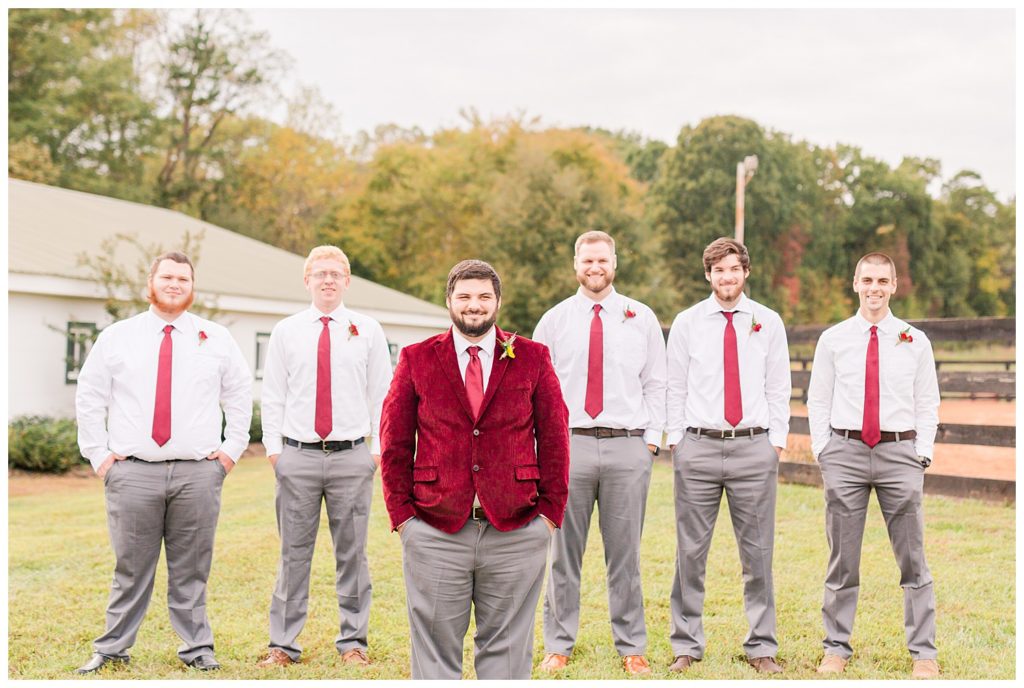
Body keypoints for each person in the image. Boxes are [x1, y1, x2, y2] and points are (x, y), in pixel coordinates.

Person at [380, 259, 570, 680]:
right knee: (434, 655)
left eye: (484, 296)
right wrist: (404, 518)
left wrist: (548, 515)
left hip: (517, 530)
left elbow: (555, 437)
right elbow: (394, 443)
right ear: (449, 301)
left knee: (506, 654)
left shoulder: (533, 357)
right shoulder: (416, 359)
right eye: (465, 296)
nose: (474, 305)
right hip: (434, 528)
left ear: (498, 301)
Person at [75, 251, 252, 674]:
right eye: (168, 277)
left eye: (183, 279)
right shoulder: (118, 336)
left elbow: (240, 394)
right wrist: (100, 457)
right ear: (151, 282)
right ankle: (112, 647)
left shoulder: (216, 338)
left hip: (198, 473)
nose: (175, 284)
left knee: (192, 566)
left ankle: (197, 648)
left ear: (192, 288)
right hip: (132, 472)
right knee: (130, 567)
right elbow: (89, 396)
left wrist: (229, 452)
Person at [533, 230, 665, 675]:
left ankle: (631, 645)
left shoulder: (640, 317)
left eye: (602, 260)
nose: (595, 268)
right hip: (569, 445)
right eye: (587, 261)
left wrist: (650, 442)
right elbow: (537, 390)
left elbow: (656, 383)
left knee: (625, 554)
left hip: (627, 446)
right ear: (576, 264)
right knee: (563, 553)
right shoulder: (553, 321)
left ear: (614, 263)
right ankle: (558, 643)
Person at [256, 245, 393, 668]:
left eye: (336, 273)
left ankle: (353, 642)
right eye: (321, 274)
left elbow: (381, 395)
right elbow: (273, 392)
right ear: (307, 281)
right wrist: (276, 450)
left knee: (352, 553)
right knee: (293, 553)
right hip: (297, 456)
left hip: (351, 457)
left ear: (347, 281)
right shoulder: (286, 331)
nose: (328, 280)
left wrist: (375, 452)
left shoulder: (367, 330)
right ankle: (282, 645)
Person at [806, 252, 940, 679]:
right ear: (855, 283)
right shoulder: (834, 339)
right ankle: (836, 648)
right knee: (842, 559)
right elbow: (818, 398)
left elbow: (927, 401)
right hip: (844, 452)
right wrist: (823, 450)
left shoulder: (914, 340)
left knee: (913, 558)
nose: (874, 288)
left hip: (900, 454)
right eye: (867, 280)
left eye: (883, 280)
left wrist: (921, 453)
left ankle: (923, 653)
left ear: (895, 285)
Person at [665, 237, 790, 674]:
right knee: (690, 553)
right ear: (708, 275)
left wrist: (775, 443)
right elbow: (674, 386)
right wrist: (677, 440)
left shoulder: (768, 322)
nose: (726, 277)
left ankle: (761, 646)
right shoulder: (687, 323)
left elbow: (779, 385)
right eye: (719, 270)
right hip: (697, 447)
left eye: (733, 269)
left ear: (745, 273)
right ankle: (686, 643)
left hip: (753, 447)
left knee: (758, 554)